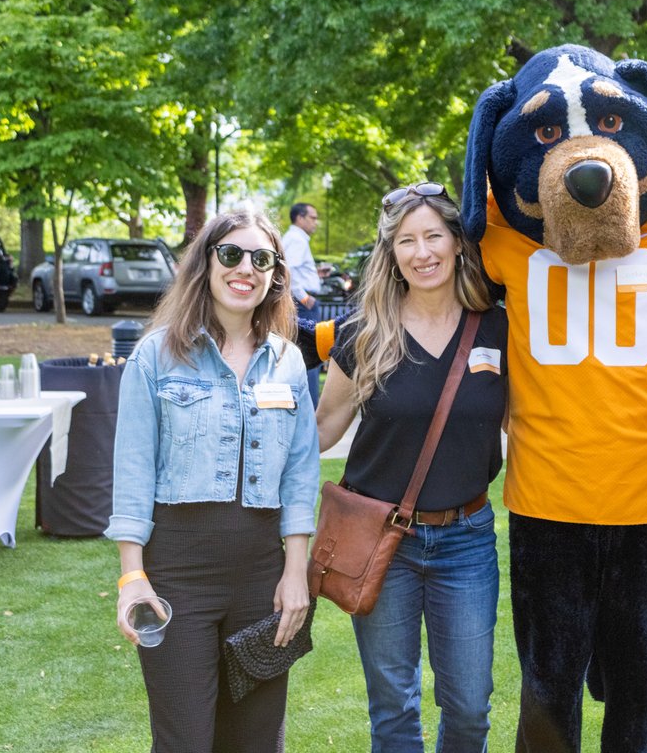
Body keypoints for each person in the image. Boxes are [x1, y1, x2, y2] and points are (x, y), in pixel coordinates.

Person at [107, 208, 320, 752]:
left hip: (262, 577)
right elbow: (132, 470)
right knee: (185, 740)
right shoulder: (156, 357)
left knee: (255, 741)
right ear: (205, 263)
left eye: (262, 258)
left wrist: (296, 574)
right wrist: (133, 577)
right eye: (231, 254)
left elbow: (300, 475)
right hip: (177, 573)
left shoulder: (289, 363)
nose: (244, 267)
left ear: (276, 273)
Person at [316, 182, 506, 753]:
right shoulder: (364, 333)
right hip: (379, 540)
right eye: (406, 241)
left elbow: (525, 426)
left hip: (466, 540)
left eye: (433, 236)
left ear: (456, 242)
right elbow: (325, 426)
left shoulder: (498, 328)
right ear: (391, 253)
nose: (422, 252)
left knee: (470, 708)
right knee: (393, 709)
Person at [282, 202, 323, 407]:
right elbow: (287, 270)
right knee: (310, 357)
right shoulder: (297, 239)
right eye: (312, 217)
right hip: (303, 305)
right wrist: (304, 297)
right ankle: (311, 411)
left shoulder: (292, 238)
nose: (316, 222)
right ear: (300, 217)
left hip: (300, 302)